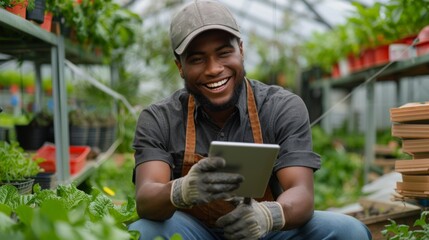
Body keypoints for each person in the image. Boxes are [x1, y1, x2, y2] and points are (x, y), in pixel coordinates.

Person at [128, 1, 372, 239]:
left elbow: (301, 193)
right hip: (191, 232)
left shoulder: (280, 107)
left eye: (224, 53)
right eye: (197, 59)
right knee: (145, 232)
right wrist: (181, 190)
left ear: (241, 50)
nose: (213, 69)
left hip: (265, 232)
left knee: (350, 232)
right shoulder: (159, 119)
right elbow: (147, 199)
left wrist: (268, 216)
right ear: (180, 66)